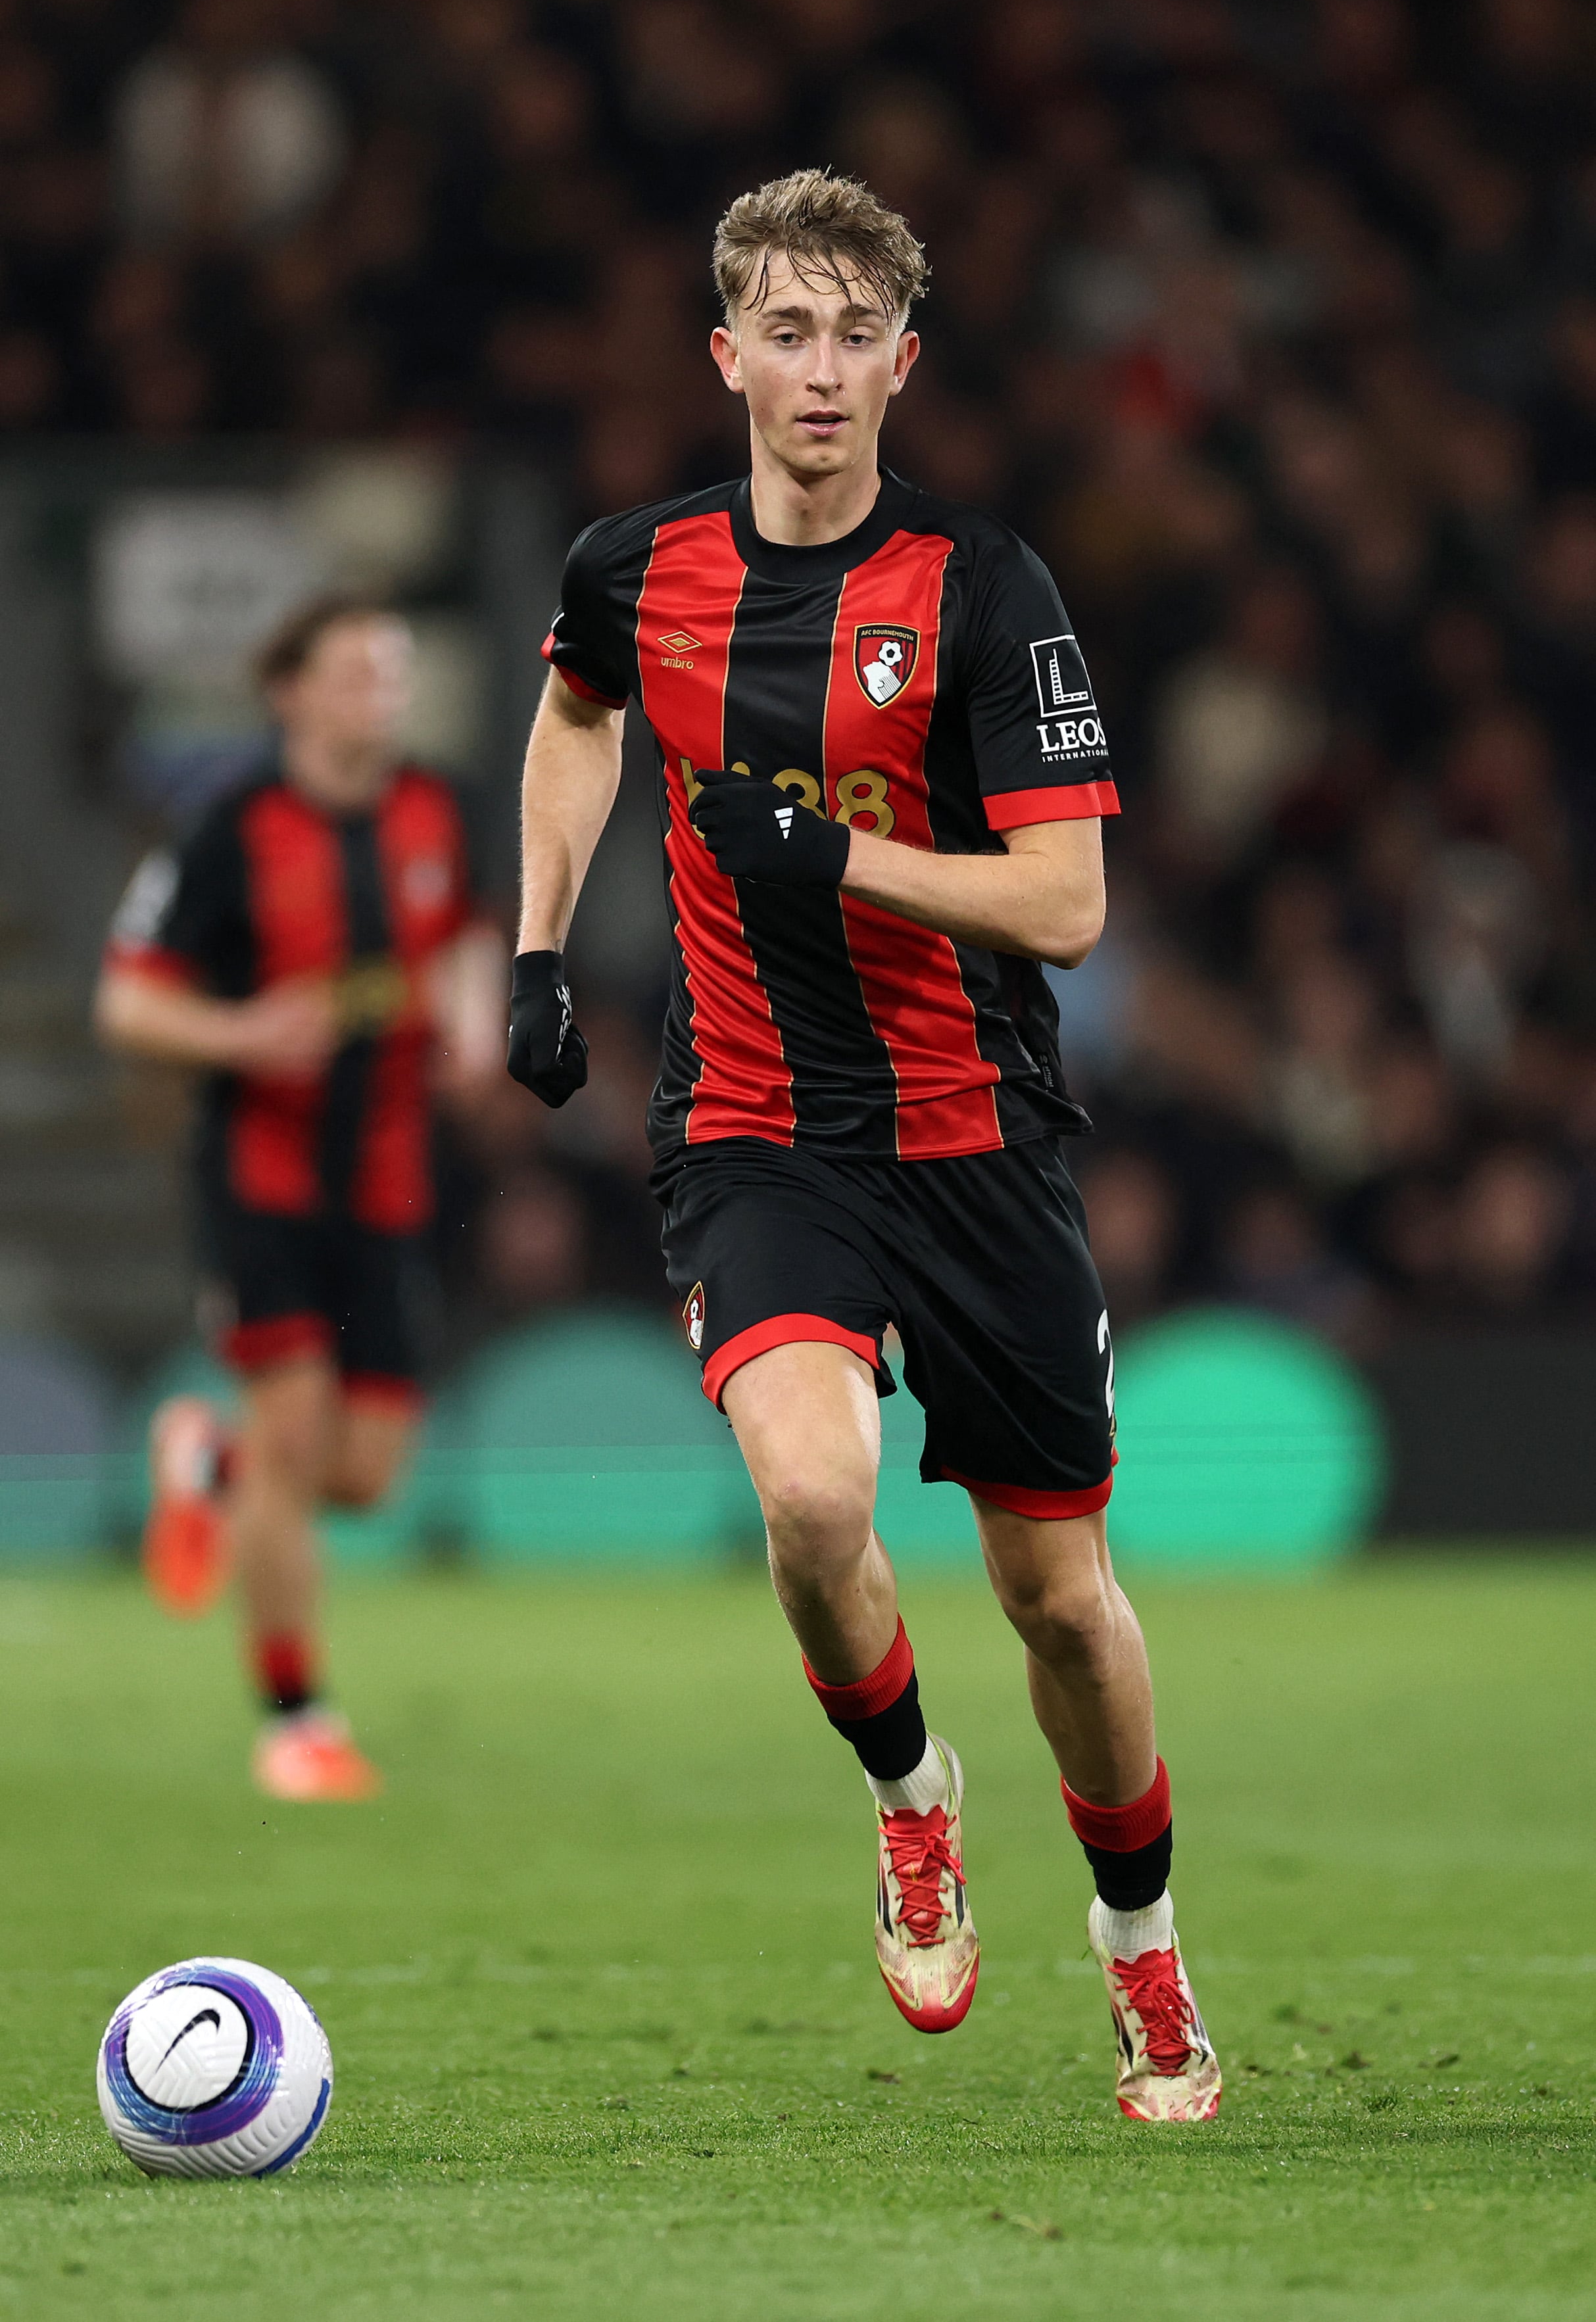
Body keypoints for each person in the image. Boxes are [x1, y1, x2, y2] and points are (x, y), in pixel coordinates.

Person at [508, 169, 1221, 2121]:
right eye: (785, 332)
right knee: (815, 1507)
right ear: (725, 354)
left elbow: (1066, 905)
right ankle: (914, 1803)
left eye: (854, 337)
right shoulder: (626, 567)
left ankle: (1141, 1952)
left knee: (1058, 1601)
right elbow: (573, 721)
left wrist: (841, 858)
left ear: (902, 362)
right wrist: (535, 941)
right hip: (751, 1132)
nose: (818, 374)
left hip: (978, 1142)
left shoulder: (983, 588)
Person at [96, 597, 503, 1801]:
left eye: (395, 671)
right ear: (291, 691)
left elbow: (465, 940)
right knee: (293, 1432)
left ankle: (207, 1462)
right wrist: (235, 1030)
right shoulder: (227, 827)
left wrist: (476, 1016)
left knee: (364, 1472)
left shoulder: (438, 807)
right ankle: (296, 1718)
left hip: (386, 1175)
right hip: (261, 1173)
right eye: (357, 672)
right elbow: (129, 1002)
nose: (382, 692)